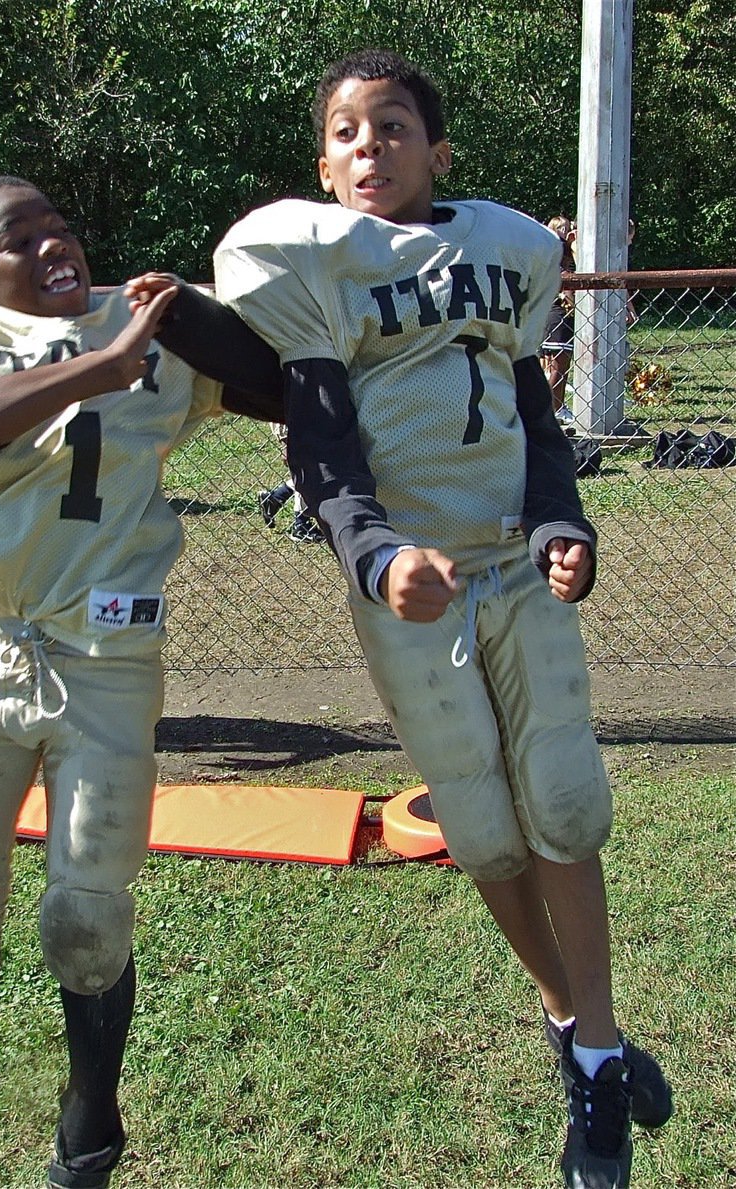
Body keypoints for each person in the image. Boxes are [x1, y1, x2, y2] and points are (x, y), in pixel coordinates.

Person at [212, 49, 672, 1189]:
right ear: (322, 163)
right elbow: (320, 451)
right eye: (348, 133)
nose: (372, 148)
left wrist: (567, 525)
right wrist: (373, 556)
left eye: (394, 127)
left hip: (513, 560)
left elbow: (533, 415)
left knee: (563, 802)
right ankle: (578, 1028)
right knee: (482, 829)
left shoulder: (508, 252)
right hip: (412, 583)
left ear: (439, 150)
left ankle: (600, 1050)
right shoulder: (310, 266)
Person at [0, 175, 282, 1189]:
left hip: (106, 660)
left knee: (87, 918)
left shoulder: (147, 329)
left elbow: (289, 386)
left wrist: (198, 321)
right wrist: (100, 367)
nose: (50, 248)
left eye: (59, 229)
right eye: (17, 240)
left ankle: (90, 1129)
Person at [256, 422, 325, 543]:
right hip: (289, 420)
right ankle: (301, 525)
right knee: (305, 467)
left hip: (308, 417)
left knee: (314, 467)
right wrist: (285, 440)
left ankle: (276, 498)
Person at [540, 215, 577, 420]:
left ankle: (556, 407)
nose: (567, 231)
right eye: (561, 228)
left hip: (551, 315)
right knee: (558, 366)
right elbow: (568, 290)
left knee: (558, 366)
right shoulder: (556, 258)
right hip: (558, 315)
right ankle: (551, 410)